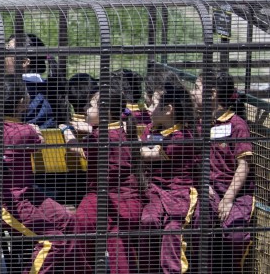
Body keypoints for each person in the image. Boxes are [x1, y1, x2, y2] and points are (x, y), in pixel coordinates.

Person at [0, 75, 74, 274]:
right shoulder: (24, 131)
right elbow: (39, 141)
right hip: (8, 202)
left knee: (69, 221)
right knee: (54, 240)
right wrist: (34, 131)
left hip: (28, 194)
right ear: (22, 103)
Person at [72, 80, 142, 274]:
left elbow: (76, 149)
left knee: (78, 233)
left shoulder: (98, 137)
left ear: (106, 112)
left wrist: (66, 132)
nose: (86, 109)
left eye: (91, 106)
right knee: (120, 252)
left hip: (100, 201)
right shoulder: (125, 129)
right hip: (129, 203)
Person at [139, 76, 200, 274]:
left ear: (168, 110)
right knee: (148, 222)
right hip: (154, 191)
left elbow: (148, 154)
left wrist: (130, 145)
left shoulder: (182, 137)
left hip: (178, 194)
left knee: (172, 231)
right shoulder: (150, 129)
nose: (148, 109)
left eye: (154, 104)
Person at [199, 70, 254, 271]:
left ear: (212, 93)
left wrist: (228, 199)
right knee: (199, 220)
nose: (193, 92)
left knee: (235, 233)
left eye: (197, 87)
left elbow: (244, 164)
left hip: (235, 192)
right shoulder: (200, 123)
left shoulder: (237, 125)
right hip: (208, 190)